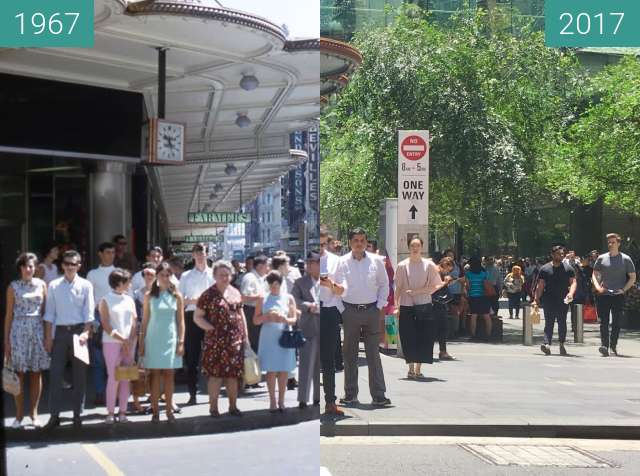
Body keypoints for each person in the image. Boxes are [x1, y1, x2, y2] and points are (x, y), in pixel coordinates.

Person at [333, 227, 391, 407]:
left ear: (366, 242)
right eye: (356, 240)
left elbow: (384, 284)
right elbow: (335, 288)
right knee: (349, 354)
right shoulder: (341, 262)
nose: (359, 244)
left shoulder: (376, 261)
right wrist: (342, 309)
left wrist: (380, 306)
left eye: (362, 240)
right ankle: (350, 394)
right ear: (350, 243)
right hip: (349, 311)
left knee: (373, 353)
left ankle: (379, 395)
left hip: (371, 310)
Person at [43, 250, 95, 430]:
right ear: (62, 265)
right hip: (60, 333)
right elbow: (49, 314)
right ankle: (54, 415)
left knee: (79, 376)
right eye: (67, 263)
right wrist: (48, 338)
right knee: (55, 375)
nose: (70, 267)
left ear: (79, 266)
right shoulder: (54, 285)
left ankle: (77, 415)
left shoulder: (86, 285)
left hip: (79, 332)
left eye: (74, 264)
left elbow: (89, 313)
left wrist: (86, 333)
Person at [194, 260, 247, 417]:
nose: (224, 278)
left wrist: (245, 336)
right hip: (215, 342)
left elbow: (241, 314)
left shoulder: (235, 292)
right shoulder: (208, 295)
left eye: (227, 274)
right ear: (215, 276)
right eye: (221, 275)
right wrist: (211, 329)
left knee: (233, 376)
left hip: (234, 340)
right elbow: (197, 317)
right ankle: (213, 408)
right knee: (216, 376)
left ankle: (233, 406)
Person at [4, 253, 50, 428]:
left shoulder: (42, 285)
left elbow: (47, 313)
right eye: (25, 266)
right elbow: (9, 315)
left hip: (37, 329)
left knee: (36, 372)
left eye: (31, 266)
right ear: (20, 268)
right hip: (18, 330)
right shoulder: (13, 287)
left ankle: (34, 413)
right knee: (19, 374)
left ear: (35, 268)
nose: (28, 269)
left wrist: (47, 336)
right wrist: (6, 341)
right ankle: (18, 415)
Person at [139, 262, 185, 423]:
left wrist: (181, 341)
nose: (165, 278)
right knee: (155, 375)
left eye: (168, 275)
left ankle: (169, 411)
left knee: (169, 374)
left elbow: (181, 322)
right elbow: (144, 321)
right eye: (162, 275)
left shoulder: (177, 295)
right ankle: (155, 411)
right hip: (153, 338)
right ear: (157, 276)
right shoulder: (149, 296)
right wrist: (141, 342)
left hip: (170, 338)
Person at [394, 237, 446, 379]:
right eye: (412, 245)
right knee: (408, 336)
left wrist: (419, 291)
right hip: (406, 305)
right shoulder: (402, 266)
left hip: (424, 304)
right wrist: (396, 306)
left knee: (424, 336)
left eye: (417, 245)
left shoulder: (429, 265)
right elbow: (398, 287)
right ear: (408, 247)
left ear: (422, 247)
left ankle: (418, 368)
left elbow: (438, 285)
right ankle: (410, 368)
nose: (415, 248)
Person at [253, 271, 298, 412]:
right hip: (268, 336)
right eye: (271, 285)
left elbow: (294, 319)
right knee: (271, 370)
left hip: (284, 335)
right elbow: (255, 320)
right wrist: (267, 316)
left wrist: (284, 319)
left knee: (284, 369)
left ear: (280, 284)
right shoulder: (263, 298)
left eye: (276, 285)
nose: (274, 288)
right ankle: (272, 401)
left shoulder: (288, 298)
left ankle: (282, 401)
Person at [178, 243, 214, 405]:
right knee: (192, 357)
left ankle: (211, 392)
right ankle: (192, 394)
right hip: (191, 316)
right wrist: (195, 300)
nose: (200, 256)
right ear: (193, 256)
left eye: (202, 253)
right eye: (197, 253)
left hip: (210, 316)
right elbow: (180, 300)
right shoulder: (186, 276)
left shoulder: (214, 274)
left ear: (207, 254)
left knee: (212, 355)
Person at [99, 269, 137, 424]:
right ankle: (110, 412)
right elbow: (106, 325)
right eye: (127, 281)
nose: (130, 284)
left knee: (126, 378)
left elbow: (134, 322)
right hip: (111, 342)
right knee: (114, 377)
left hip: (129, 342)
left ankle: (123, 411)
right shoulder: (105, 300)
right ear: (119, 283)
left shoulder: (129, 299)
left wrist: (130, 339)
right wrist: (123, 339)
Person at [592, 233, 637, 356]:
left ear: (618, 243)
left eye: (613, 242)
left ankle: (613, 346)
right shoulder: (601, 258)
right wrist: (597, 287)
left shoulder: (626, 259)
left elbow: (633, 277)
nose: (610, 244)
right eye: (609, 242)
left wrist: (624, 289)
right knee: (604, 322)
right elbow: (594, 274)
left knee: (616, 322)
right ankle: (604, 346)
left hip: (618, 295)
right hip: (604, 294)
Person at [86, 242, 117, 407]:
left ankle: (114, 392)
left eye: (113, 252)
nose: (110, 255)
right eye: (107, 252)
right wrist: (90, 321)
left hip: (116, 317)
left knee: (115, 358)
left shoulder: (119, 273)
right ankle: (100, 393)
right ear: (100, 254)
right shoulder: (92, 274)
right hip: (98, 316)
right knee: (98, 359)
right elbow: (88, 299)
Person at [318, 228, 345, 416]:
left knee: (328, 360)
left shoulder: (336, 261)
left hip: (328, 312)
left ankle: (330, 402)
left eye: (321, 244)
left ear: (327, 243)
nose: (318, 249)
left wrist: (330, 284)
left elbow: (342, 290)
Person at [291, 252, 321, 409]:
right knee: (305, 364)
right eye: (308, 263)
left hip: (323, 327)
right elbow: (294, 300)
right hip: (307, 327)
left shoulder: (326, 281)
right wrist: (308, 306)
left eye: (312, 262)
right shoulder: (300, 282)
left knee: (319, 365)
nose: (309, 265)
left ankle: (317, 397)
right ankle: (303, 398)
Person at [534, 245, 576, 356]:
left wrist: (571, 293)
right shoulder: (544, 269)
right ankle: (546, 344)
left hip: (563, 299)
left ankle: (562, 344)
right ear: (552, 255)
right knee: (549, 322)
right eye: (558, 254)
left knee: (562, 322)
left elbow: (573, 282)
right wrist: (536, 299)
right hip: (549, 299)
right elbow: (540, 285)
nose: (561, 256)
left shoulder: (568, 268)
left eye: (562, 254)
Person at [241, 255, 268, 354]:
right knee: (254, 341)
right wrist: (260, 297)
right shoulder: (249, 277)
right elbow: (243, 298)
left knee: (260, 342)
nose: (268, 268)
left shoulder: (262, 278)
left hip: (260, 312)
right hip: (251, 312)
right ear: (260, 266)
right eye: (266, 266)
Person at [433, 256, 458, 361]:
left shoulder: (442, 273)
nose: (448, 271)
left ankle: (443, 351)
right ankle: (438, 351)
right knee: (435, 327)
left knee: (443, 327)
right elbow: (433, 287)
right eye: (448, 269)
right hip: (433, 303)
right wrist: (445, 282)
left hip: (440, 303)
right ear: (444, 264)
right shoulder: (435, 271)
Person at [463, 256, 492, 340]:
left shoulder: (468, 274)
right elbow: (488, 283)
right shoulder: (484, 273)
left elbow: (468, 286)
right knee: (486, 316)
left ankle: (473, 335)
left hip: (473, 296)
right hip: (484, 296)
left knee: (474, 316)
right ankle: (488, 335)